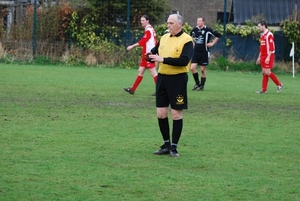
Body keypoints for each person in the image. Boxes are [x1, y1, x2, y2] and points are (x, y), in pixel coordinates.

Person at [147, 14, 193, 157]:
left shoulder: (187, 40)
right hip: (162, 79)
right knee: (161, 113)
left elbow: (184, 61)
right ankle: (166, 144)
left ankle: (174, 147)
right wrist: (149, 55)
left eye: (171, 23)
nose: (168, 26)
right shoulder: (165, 37)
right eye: (167, 23)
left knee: (176, 114)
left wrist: (162, 59)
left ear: (180, 24)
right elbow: (154, 51)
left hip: (178, 81)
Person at [123, 15, 158, 95]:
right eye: (141, 20)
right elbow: (155, 41)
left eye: (143, 20)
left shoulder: (149, 30)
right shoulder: (150, 30)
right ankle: (132, 89)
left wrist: (132, 46)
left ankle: (160, 90)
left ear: (147, 21)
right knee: (140, 71)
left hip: (149, 55)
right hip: (145, 54)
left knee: (153, 72)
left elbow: (143, 41)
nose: (141, 22)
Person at [190, 17, 221, 91]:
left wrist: (212, 43)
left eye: (200, 21)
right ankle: (197, 83)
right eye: (197, 21)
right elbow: (190, 36)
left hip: (204, 52)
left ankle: (202, 86)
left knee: (202, 70)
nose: (198, 22)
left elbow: (218, 35)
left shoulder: (208, 30)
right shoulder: (195, 29)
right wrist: (192, 42)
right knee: (192, 68)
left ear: (203, 22)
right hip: (196, 52)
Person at [256, 20, 283, 94]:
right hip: (263, 55)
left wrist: (268, 57)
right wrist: (259, 57)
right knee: (264, 72)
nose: (258, 28)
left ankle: (279, 84)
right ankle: (264, 89)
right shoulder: (262, 35)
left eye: (259, 26)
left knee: (267, 71)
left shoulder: (269, 34)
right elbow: (262, 47)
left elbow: (271, 47)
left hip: (269, 55)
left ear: (263, 26)